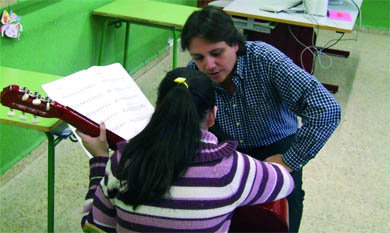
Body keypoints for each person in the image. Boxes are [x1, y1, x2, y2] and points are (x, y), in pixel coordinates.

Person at [180, 6, 341, 233]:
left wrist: (289, 160)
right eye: (199, 57)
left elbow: (327, 109)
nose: (208, 65)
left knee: (284, 207)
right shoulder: (193, 73)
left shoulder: (265, 59)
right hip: (227, 145)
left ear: (235, 44)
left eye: (217, 53)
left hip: (277, 144)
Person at [78, 67, 294, 232]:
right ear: (212, 115)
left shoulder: (123, 161)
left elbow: (95, 225)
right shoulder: (231, 167)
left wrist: (100, 158)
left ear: (159, 110)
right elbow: (285, 182)